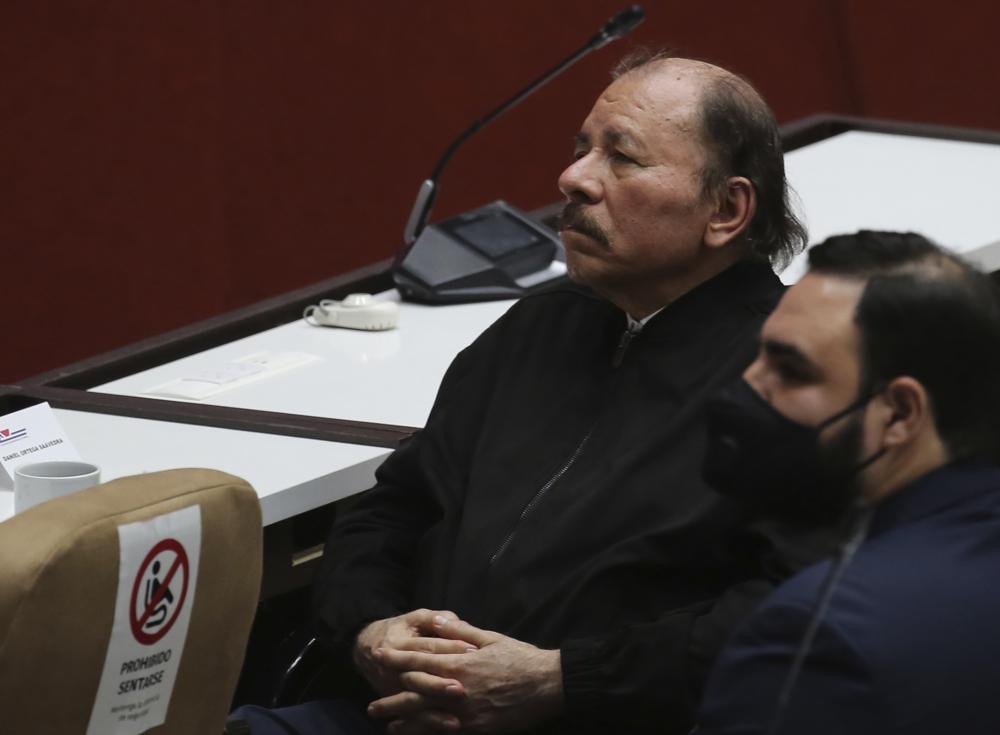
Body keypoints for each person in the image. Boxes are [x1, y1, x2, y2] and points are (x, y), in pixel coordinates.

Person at [231, 51, 815, 735]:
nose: (573, 177)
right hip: (392, 712)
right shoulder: (539, 325)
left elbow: (785, 615)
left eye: (621, 159)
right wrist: (371, 628)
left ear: (726, 209)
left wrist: (560, 680)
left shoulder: (792, 378)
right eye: (580, 149)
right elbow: (392, 508)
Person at [696, 230, 1000, 734]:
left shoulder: (814, 637)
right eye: (758, 356)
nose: (747, 386)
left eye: (791, 370)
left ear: (900, 413)